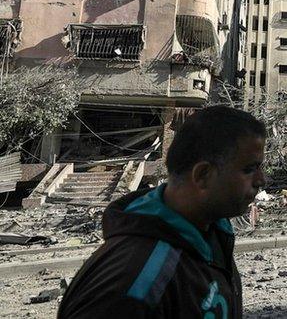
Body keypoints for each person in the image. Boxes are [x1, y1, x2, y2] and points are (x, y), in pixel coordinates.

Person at [59, 106, 267, 318]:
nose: (261, 180)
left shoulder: (214, 235)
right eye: (249, 169)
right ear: (203, 175)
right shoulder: (134, 283)